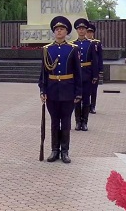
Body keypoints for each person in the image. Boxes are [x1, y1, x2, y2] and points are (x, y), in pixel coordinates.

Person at [38, 16, 82, 163]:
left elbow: (78, 73)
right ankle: (54, 150)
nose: (59, 31)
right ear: (53, 32)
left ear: (66, 32)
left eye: (61, 29)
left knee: (66, 122)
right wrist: (43, 91)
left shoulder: (72, 49)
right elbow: (44, 73)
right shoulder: (47, 50)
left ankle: (65, 151)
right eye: (56, 29)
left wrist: (78, 92)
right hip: (52, 90)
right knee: (54, 122)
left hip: (67, 90)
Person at [72, 18, 99, 131]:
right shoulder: (73, 44)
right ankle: (78, 122)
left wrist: (95, 75)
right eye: (79, 29)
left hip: (87, 74)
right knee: (77, 99)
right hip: (76, 76)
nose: (82, 31)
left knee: (86, 100)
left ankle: (85, 122)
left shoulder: (91, 44)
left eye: (83, 29)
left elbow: (95, 60)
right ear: (77, 30)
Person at [86, 24, 103, 114]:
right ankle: (85, 105)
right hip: (85, 69)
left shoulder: (97, 43)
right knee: (85, 89)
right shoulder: (82, 43)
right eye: (88, 32)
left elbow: (100, 57)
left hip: (94, 69)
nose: (89, 34)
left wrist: (100, 70)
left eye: (90, 32)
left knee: (93, 89)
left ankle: (92, 106)